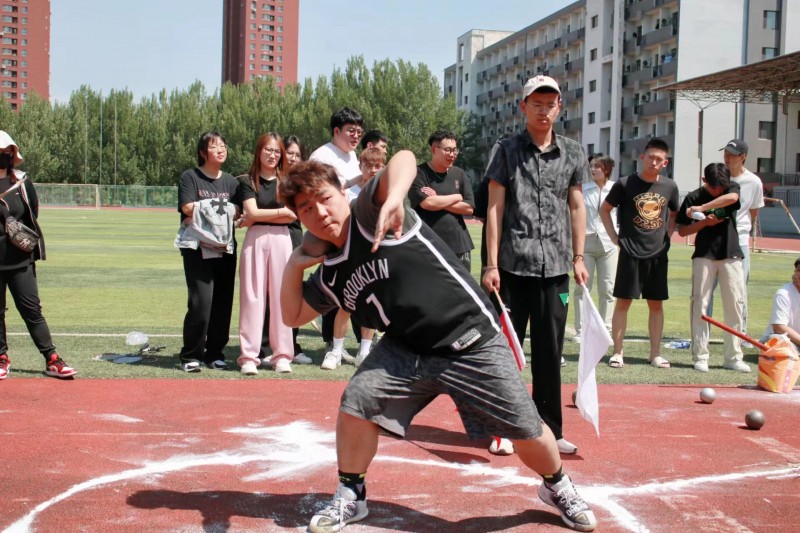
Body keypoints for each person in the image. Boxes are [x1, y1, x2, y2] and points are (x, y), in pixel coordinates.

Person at [279, 152, 598, 533]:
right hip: (406, 348)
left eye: (324, 198)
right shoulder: (330, 273)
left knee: (526, 430)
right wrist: (294, 264)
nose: (320, 212)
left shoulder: (368, 212)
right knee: (357, 403)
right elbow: (292, 316)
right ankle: (352, 493)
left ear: (341, 193)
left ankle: (557, 485)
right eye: (306, 208)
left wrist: (394, 197)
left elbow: (403, 160)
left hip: (469, 338)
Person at [482, 75, 589, 456]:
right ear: (523, 107)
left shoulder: (573, 152)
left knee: (550, 353)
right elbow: (495, 208)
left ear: (560, 108)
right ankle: (501, 429)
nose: (544, 111)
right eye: (537, 104)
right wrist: (490, 264)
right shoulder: (506, 150)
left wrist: (579, 257)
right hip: (511, 267)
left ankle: (550, 430)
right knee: (506, 352)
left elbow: (576, 206)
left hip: (556, 269)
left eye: (550, 105)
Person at [0, 131, 76, 381]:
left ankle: (52, 358)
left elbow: (32, 213)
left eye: (7, 152)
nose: (4, 155)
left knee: (32, 310)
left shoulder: (21, 182)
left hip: (20, 260)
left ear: (13, 154)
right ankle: (1, 358)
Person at [599, 138, 679, 370]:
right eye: (650, 157)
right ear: (642, 157)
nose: (654, 162)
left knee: (656, 304)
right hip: (630, 252)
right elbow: (605, 210)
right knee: (623, 302)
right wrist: (614, 237)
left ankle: (655, 354)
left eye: (659, 159)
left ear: (665, 163)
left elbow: (674, 213)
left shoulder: (670, 186)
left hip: (658, 255)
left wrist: (667, 236)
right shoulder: (625, 183)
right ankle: (618, 352)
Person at [176, 131, 240, 373]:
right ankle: (191, 354)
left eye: (223, 145)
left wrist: (204, 209)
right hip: (198, 250)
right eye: (214, 146)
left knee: (222, 304)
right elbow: (187, 207)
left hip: (225, 250)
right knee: (200, 303)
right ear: (203, 152)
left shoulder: (232, 182)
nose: (220, 150)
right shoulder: (190, 177)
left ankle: (215, 353)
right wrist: (223, 209)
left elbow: (239, 212)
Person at [677, 163, 749, 372]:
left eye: (721, 187)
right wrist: (703, 223)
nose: (718, 190)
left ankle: (733, 357)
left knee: (735, 305)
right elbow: (682, 231)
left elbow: (732, 199)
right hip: (703, 254)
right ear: (704, 181)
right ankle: (700, 356)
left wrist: (701, 208)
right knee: (700, 303)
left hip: (731, 253)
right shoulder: (693, 196)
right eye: (713, 187)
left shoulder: (731, 188)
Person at [236, 133, 298, 375]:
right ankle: (249, 357)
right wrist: (279, 212)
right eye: (268, 150)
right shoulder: (247, 181)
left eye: (277, 151)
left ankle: (282, 355)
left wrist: (259, 215)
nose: (273, 155)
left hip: (282, 239)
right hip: (255, 239)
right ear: (259, 151)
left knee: (281, 297)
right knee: (252, 297)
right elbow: (251, 212)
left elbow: (292, 216)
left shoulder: (287, 181)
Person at [309, 108, 365, 364]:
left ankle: (357, 345)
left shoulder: (354, 156)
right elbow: (319, 192)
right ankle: (332, 344)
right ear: (336, 130)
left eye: (359, 132)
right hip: (334, 230)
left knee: (357, 285)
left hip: (357, 228)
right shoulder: (322, 156)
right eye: (351, 131)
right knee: (334, 285)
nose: (356, 136)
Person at [707, 139, 764, 345]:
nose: (727, 157)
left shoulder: (754, 182)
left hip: (739, 240)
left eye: (732, 154)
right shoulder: (717, 176)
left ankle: (741, 335)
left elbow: (753, 212)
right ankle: (702, 331)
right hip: (714, 238)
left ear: (743, 157)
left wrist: (743, 231)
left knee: (739, 289)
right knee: (706, 288)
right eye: (726, 153)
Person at [409, 130, 475, 272]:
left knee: (461, 285)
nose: (452, 154)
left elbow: (469, 208)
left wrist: (437, 198)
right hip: (429, 245)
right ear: (434, 149)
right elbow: (427, 203)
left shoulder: (459, 174)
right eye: (448, 150)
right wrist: (457, 197)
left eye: (455, 150)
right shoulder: (418, 173)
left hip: (459, 246)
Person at [573, 154, 617, 341]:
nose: (592, 169)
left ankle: (606, 329)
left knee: (608, 289)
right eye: (591, 166)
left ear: (606, 168)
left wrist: (618, 235)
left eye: (597, 166)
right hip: (586, 242)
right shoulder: (582, 189)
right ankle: (581, 330)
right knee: (582, 288)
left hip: (609, 243)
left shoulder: (615, 188)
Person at [761, 257, 800, 348]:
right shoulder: (783, 294)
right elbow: (779, 328)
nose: (796, 275)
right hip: (787, 341)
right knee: (777, 341)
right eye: (797, 271)